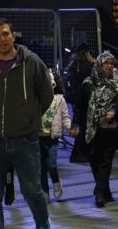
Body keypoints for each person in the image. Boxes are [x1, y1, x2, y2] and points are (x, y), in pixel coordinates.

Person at [0, 18, 54, 229]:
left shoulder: (32, 62)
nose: (2, 39)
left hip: (25, 141)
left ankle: (43, 224)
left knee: (32, 190)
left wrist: (29, 117)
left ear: (13, 35)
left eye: (5, 34)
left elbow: (46, 95)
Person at [70, 52, 118, 208]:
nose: (110, 66)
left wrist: (115, 110)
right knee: (94, 161)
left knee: (106, 160)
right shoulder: (87, 83)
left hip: (110, 129)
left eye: (112, 63)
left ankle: (99, 193)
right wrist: (75, 124)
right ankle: (106, 191)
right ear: (99, 65)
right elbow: (79, 107)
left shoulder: (117, 83)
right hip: (91, 129)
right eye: (106, 63)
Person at [39, 72, 71, 203]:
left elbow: (65, 115)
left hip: (52, 137)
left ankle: (56, 181)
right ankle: (44, 192)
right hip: (38, 135)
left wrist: (68, 126)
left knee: (51, 164)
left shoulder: (59, 99)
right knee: (41, 167)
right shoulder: (37, 98)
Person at [67, 43, 96, 163]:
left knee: (80, 125)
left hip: (75, 99)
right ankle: (79, 153)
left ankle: (78, 153)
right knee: (85, 127)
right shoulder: (89, 66)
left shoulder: (73, 66)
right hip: (86, 100)